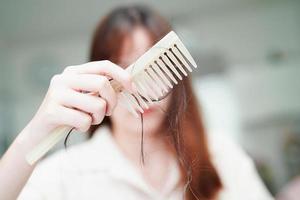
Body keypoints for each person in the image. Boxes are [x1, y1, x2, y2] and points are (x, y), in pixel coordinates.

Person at [0, 5, 273, 200]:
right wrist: (34, 132)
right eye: (122, 68)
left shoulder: (220, 154)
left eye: (155, 67)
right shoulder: (63, 173)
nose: (140, 86)